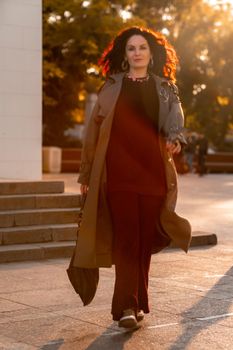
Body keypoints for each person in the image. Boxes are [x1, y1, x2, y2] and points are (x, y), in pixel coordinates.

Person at [73, 26, 191, 329]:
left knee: (142, 241)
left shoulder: (166, 87)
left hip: (152, 173)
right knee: (126, 238)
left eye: (142, 48)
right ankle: (125, 306)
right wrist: (86, 173)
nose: (136, 52)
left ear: (151, 54)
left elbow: (176, 122)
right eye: (131, 48)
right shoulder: (111, 87)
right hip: (117, 174)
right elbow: (92, 133)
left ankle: (137, 302)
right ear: (124, 55)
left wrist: (175, 139)